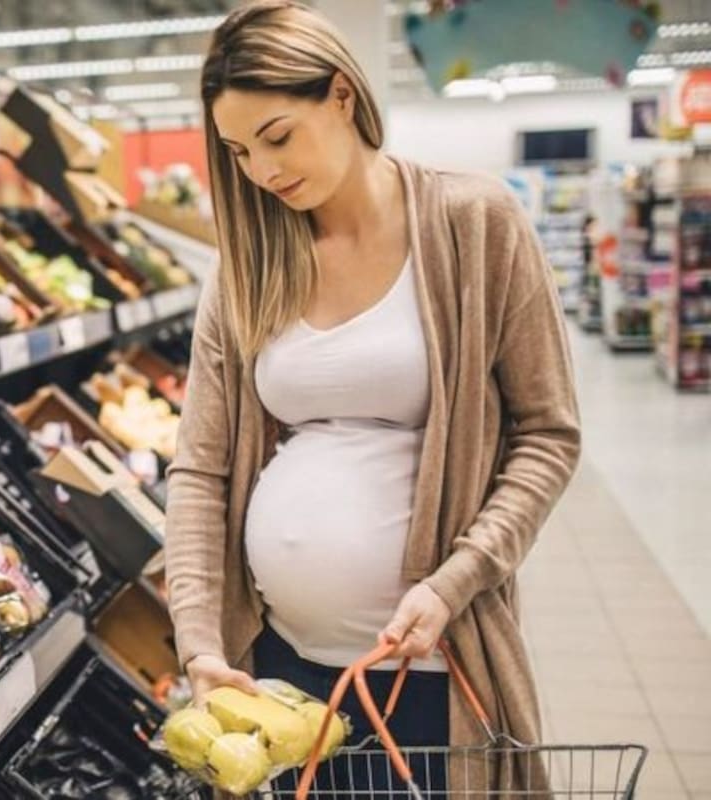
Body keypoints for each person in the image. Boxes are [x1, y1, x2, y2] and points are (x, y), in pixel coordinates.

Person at [164, 1, 580, 794]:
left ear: (342, 95)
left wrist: (454, 579)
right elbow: (199, 469)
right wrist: (198, 642)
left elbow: (547, 432)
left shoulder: (473, 222)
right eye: (238, 150)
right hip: (276, 674)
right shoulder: (248, 265)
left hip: (432, 665)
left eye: (277, 136)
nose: (262, 171)